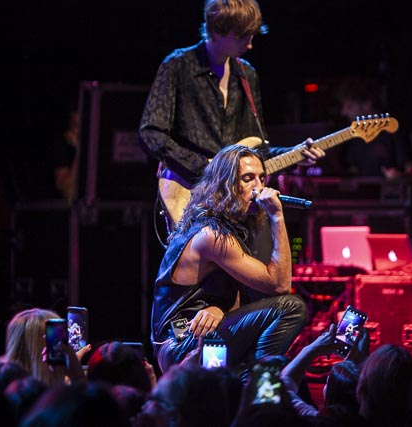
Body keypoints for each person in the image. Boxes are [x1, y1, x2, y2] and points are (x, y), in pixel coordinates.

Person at [138, 0, 324, 245]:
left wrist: (296, 153)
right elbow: (151, 133)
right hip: (194, 197)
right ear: (217, 30)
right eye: (242, 36)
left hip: (238, 208)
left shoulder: (247, 74)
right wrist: (205, 169)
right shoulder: (178, 66)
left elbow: (257, 150)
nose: (249, 44)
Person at [150, 145, 308, 374]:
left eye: (261, 178)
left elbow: (236, 295)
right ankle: (256, 386)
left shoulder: (227, 227)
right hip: (180, 345)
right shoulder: (211, 235)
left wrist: (219, 310)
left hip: (197, 334)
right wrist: (277, 215)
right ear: (226, 186)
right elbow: (280, 284)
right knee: (291, 308)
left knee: (288, 372)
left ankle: (256, 383)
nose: (259, 187)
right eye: (248, 179)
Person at [53, 109, 79, 202]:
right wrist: (80, 151)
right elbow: (69, 193)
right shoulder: (62, 146)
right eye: (76, 126)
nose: (81, 131)